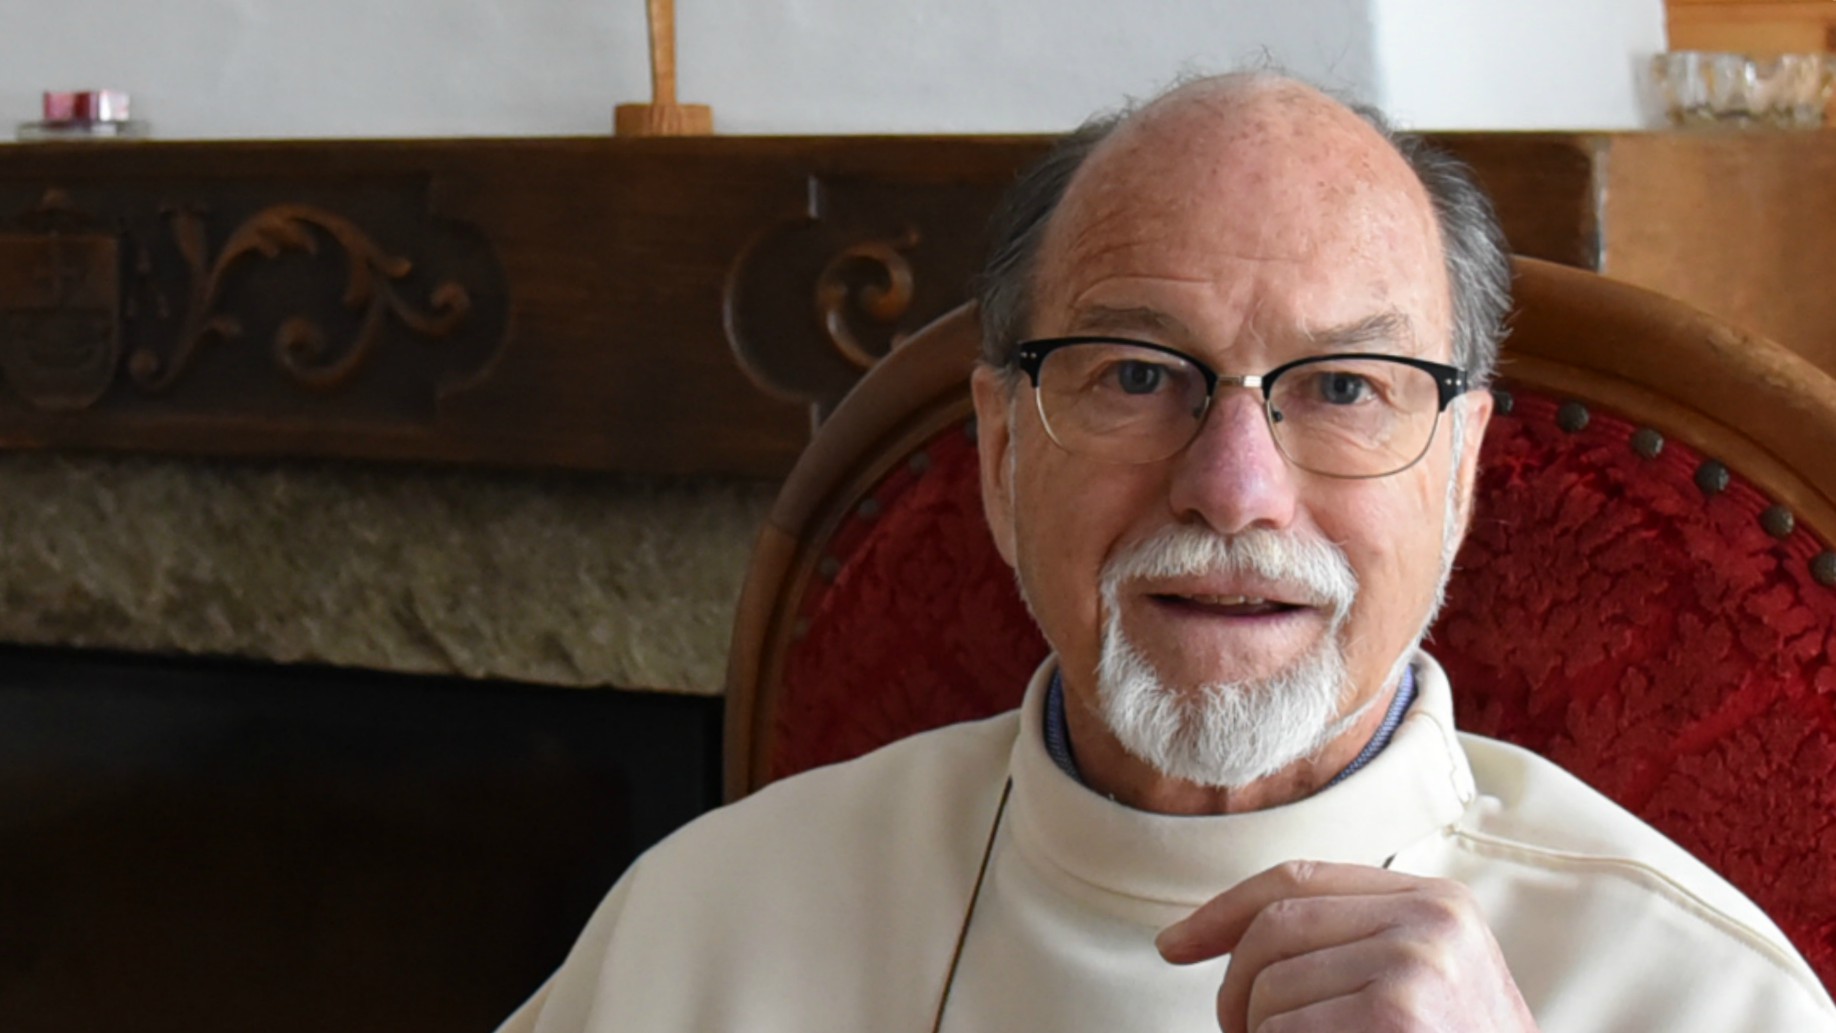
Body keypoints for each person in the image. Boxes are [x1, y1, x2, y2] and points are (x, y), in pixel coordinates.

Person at [497, 72, 1836, 1032]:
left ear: (1464, 465)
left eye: (1346, 385)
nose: (1235, 488)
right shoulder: (710, 919)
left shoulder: (1698, 989)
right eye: (1137, 374)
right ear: (1002, 446)